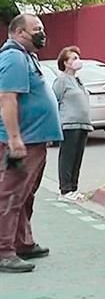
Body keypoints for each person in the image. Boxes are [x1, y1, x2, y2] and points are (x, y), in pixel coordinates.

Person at [0, 14, 62, 273]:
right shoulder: (13, 57)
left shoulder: (26, 56)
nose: (41, 33)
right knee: (11, 194)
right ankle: (4, 251)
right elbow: (7, 99)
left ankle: (22, 242)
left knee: (25, 194)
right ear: (18, 32)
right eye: (36, 29)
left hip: (34, 140)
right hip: (22, 141)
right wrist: (15, 139)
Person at [52, 46, 92, 202]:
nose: (77, 61)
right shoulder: (61, 80)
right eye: (73, 58)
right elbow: (55, 100)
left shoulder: (78, 80)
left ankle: (74, 187)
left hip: (83, 124)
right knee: (68, 156)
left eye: (78, 57)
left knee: (77, 157)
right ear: (65, 63)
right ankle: (65, 188)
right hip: (69, 124)